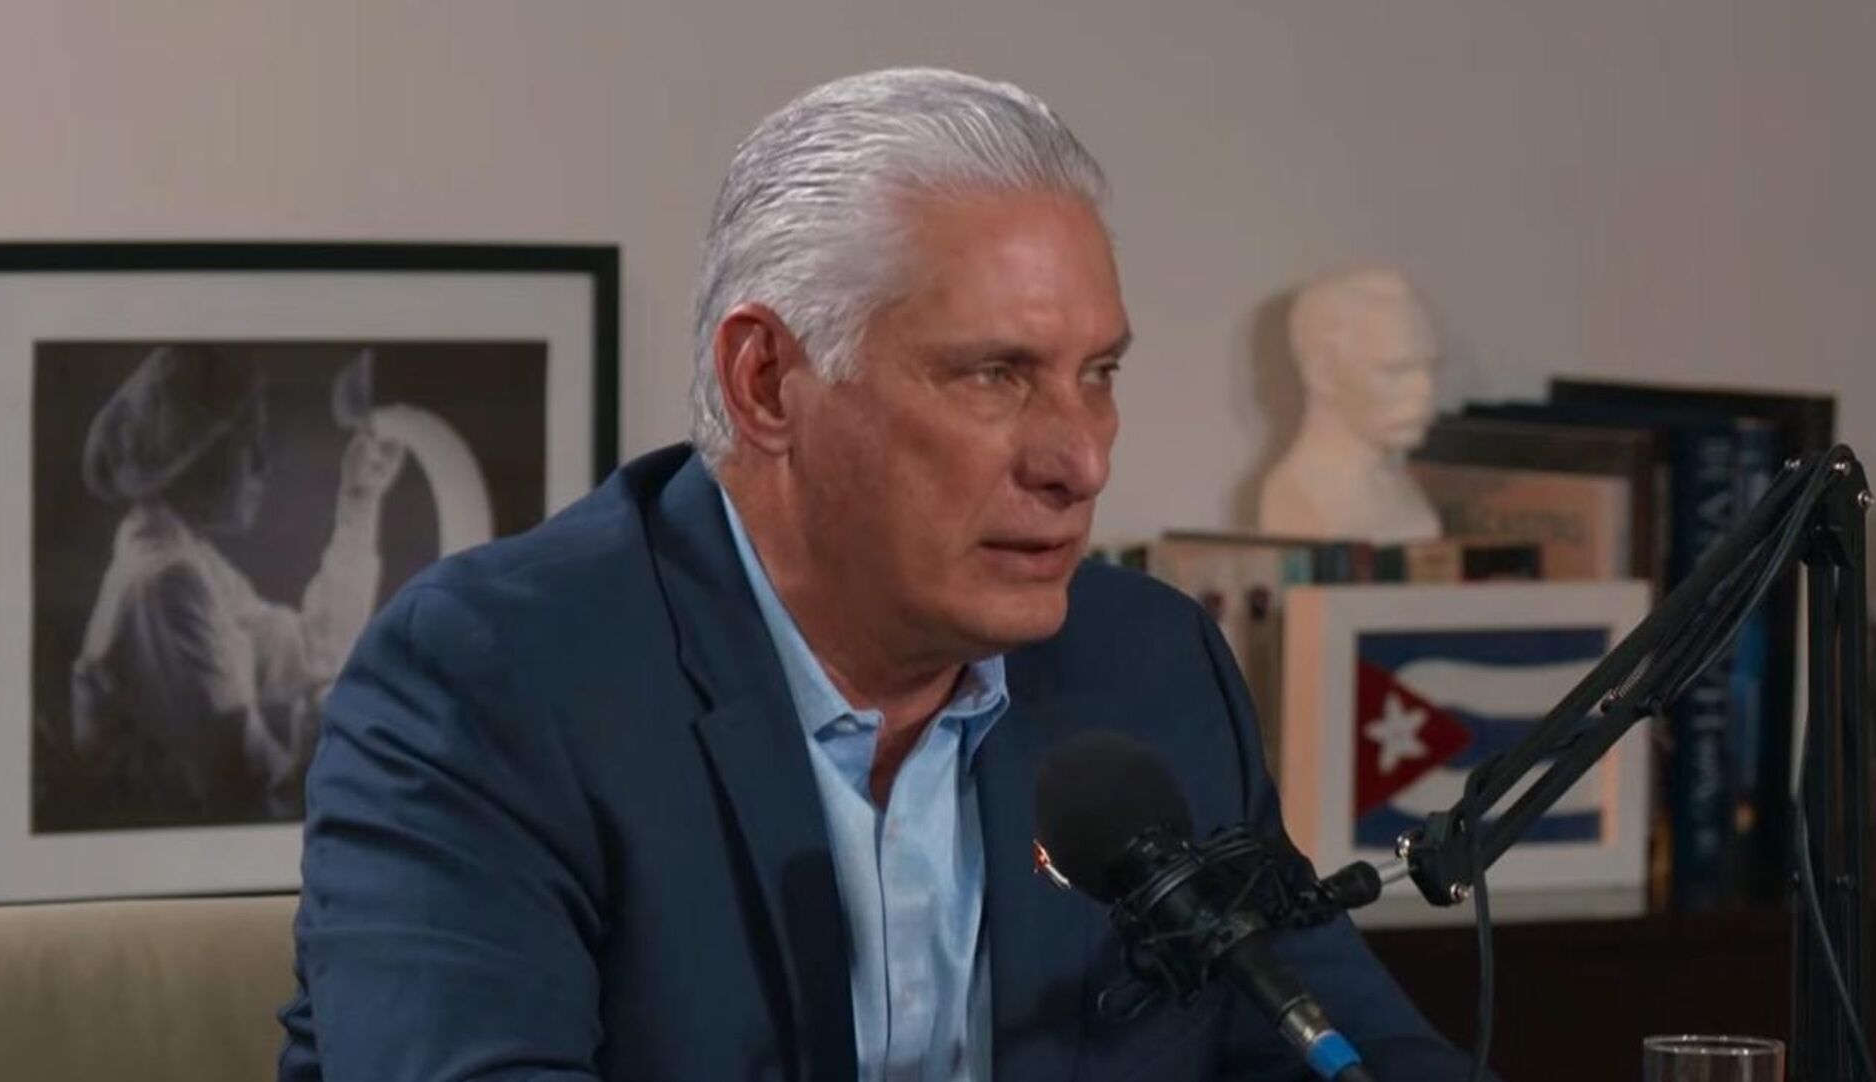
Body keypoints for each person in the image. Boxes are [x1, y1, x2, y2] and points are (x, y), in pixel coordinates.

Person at [279, 69, 1478, 1080]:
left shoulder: (1148, 665)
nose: (1080, 459)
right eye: (996, 374)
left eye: (1098, 373)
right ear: (766, 383)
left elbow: (1349, 1049)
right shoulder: (493, 682)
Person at [71, 344, 404, 824]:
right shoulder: (165, 582)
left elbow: (315, 651)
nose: (263, 466)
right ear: (191, 457)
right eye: (249, 443)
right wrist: (318, 748)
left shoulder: (186, 558)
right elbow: (249, 798)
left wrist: (360, 499)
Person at [1258, 266, 1444, 543]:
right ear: (1322, 373)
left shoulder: (1399, 487)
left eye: (1430, 369)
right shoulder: (1299, 493)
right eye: (1395, 371)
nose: (1425, 391)